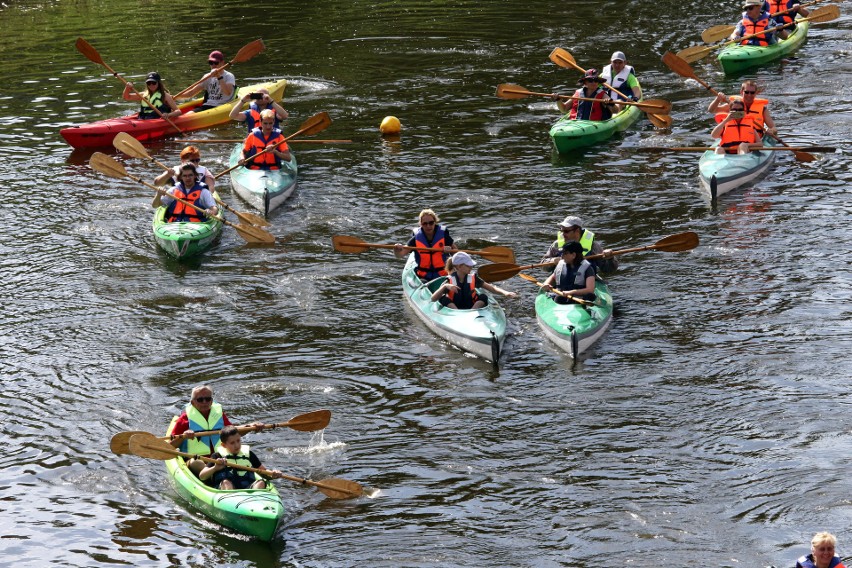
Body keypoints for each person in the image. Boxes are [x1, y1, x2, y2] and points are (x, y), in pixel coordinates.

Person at [199, 426, 284, 490]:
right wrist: (215, 468)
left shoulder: (249, 454)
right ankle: (232, 506)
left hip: (247, 488)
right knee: (226, 482)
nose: (236, 445)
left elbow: (264, 472)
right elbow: (202, 476)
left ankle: (254, 505)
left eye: (238, 441)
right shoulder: (217, 456)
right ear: (224, 445)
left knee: (261, 482)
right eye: (232, 443)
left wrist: (273, 474)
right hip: (227, 491)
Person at [430, 252, 517, 309]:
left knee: (483, 296)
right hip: (455, 310)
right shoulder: (449, 281)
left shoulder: (473, 278)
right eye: (468, 265)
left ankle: (472, 312)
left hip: (472, 308)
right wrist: (445, 286)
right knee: (443, 298)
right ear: (459, 267)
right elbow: (433, 299)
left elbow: (492, 288)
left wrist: (505, 293)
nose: (471, 267)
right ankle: (458, 313)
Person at [393, 209, 458, 281]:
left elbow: (457, 254)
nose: (428, 226)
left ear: (435, 222)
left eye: (431, 223)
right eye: (425, 223)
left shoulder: (444, 236)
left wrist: (450, 251)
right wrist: (396, 250)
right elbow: (400, 255)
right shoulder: (416, 239)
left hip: (443, 275)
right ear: (421, 224)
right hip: (423, 277)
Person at [542, 215, 618, 273]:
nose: (563, 234)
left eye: (566, 231)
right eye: (562, 231)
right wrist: (552, 261)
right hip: (562, 280)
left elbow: (609, 269)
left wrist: (610, 258)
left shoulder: (593, 246)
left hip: (586, 281)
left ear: (577, 230)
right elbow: (543, 265)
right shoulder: (556, 245)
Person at [708, 80, 777, 139]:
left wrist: (771, 131)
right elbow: (712, 110)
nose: (749, 95)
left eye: (752, 92)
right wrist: (717, 100)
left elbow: (774, 128)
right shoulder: (734, 105)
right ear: (741, 92)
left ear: (756, 93)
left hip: (754, 141)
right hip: (734, 139)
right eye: (746, 92)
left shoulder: (763, 109)